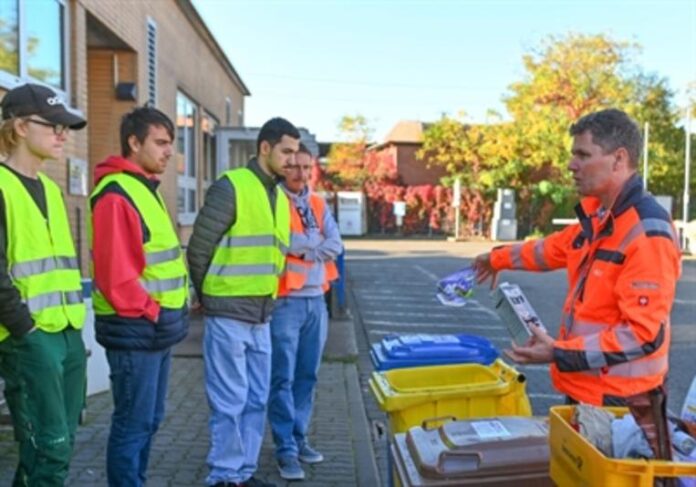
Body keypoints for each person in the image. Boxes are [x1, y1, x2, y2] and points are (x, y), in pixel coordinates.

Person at [474, 108, 681, 407]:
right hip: (588, 393)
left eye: (583, 155)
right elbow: (551, 249)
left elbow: (640, 335)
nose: (572, 165)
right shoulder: (601, 217)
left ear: (619, 159)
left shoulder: (647, 232)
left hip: (622, 408)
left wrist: (558, 353)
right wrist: (496, 259)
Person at [187, 117, 301, 487]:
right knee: (230, 400)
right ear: (264, 148)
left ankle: (243, 473)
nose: (292, 161)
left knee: (255, 399)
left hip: (262, 315)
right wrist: (207, 296)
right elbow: (200, 247)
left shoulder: (279, 197)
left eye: (296, 154)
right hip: (229, 313)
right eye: (286, 152)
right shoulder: (232, 186)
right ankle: (223, 475)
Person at [89, 106, 189, 486]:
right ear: (134, 142)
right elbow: (117, 277)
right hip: (137, 330)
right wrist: (154, 312)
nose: (168, 152)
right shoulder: (117, 194)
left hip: (153, 330)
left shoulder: (144, 188)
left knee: (148, 421)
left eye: (171, 144)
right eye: (160, 143)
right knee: (133, 425)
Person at [0, 83, 88, 486]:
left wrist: (74, 330)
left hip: (67, 333)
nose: (61, 134)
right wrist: (25, 329)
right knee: (49, 450)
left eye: (64, 127)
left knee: (58, 445)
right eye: (51, 125)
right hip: (30, 338)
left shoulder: (52, 190)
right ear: (19, 127)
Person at [268, 143, 343, 481]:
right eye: (293, 166)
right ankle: (285, 447)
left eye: (305, 167)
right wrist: (315, 247)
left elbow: (336, 244)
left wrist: (305, 250)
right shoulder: (274, 201)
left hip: (317, 301)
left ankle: (299, 438)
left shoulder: (317, 201)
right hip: (286, 301)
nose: (300, 173)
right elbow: (281, 242)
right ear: (283, 167)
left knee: (308, 376)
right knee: (281, 377)